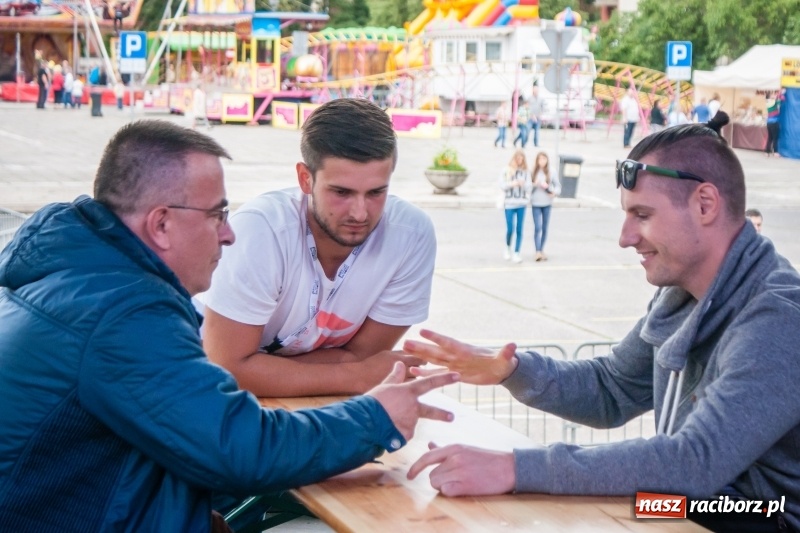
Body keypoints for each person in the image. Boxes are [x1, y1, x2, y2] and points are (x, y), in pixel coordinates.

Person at [0, 120, 459, 532]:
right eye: (217, 214)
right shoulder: (124, 313)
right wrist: (376, 418)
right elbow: (239, 449)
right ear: (161, 224)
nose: (229, 233)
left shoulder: (85, 281)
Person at [404, 111, 800, 533]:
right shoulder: (684, 290)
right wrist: (512, 371)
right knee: (572, 509)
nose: (625, 237)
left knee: (582, 507)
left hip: (767, 517)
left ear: (705, 204)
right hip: (700, 503)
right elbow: (612, 389)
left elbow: (693, 463)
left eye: (642, 215)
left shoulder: (778, 319)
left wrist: (515, 469)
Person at [200, 99, 437, 398]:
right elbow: (225, 370)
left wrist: (259, 368)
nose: (360, 213)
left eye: (376, 192)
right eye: (342, 192)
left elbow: (364, 357)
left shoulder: (411, 235)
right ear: (305, 179)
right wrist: (357, 375)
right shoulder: (260, 230)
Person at [500, 150, 532, 263]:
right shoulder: (507, 170)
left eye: (521, 159)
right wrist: (512, 183)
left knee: (519, 228)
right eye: (517, 159)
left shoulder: (526, 172)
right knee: (510, 228)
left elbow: (529, 187)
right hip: (509, 203)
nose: (519, 161)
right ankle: (508, 247)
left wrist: (523, 184)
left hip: (521, 203)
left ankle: (517, 252)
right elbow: (502, 185)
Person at [530, 151, 559, 262]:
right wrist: (534, 184)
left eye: (544, 159)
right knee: (538, 227)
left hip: (547, 202)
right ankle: (537, 251)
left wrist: (554, 192)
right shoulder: (533, 171)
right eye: (540, 159)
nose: (542, 161)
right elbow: (528, 188)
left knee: (544, 227)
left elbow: (558, 186)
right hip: (536, 202)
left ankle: (541, 249)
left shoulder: (552, 171)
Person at [765, 90, 783, 157]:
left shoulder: (767, 102)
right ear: (769, 97)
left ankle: (767, 152)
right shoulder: (773, 102)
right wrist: (780, 93)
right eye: (772, 95)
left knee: (770, 138)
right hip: (774, 122)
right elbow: (781, 100)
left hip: (769, 122)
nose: (773, 95)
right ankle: (775, 152)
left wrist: (777, 95)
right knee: (775, 138)